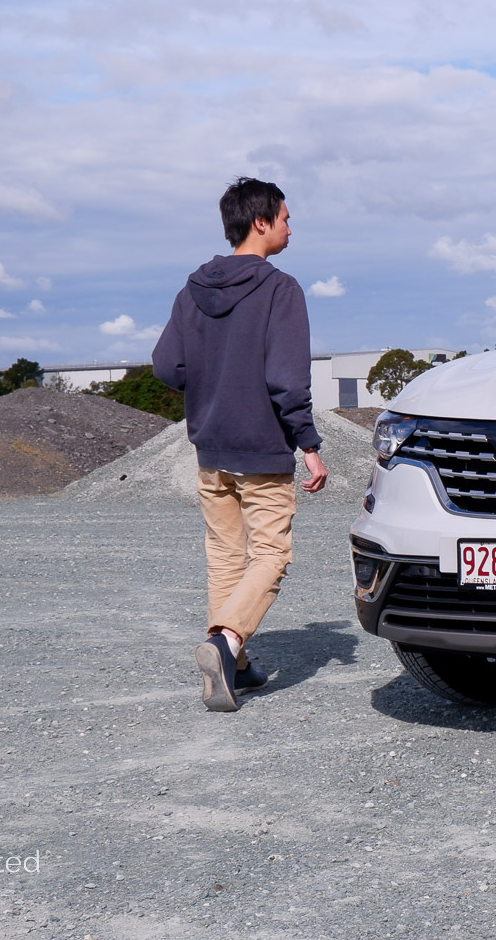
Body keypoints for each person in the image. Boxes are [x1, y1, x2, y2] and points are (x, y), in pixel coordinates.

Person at [153, 177, 329, 712]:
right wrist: (309, 444)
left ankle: (239, 666)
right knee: (271, 555)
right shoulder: (281, 289)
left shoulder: (192, 291)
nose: (290, 226)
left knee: (226, 556)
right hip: (260, 448)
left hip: (211, 449)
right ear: (261, 221)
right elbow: (286, 378)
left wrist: (213, 383)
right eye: (285, 217)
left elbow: (167, 366)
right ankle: (226, 641)